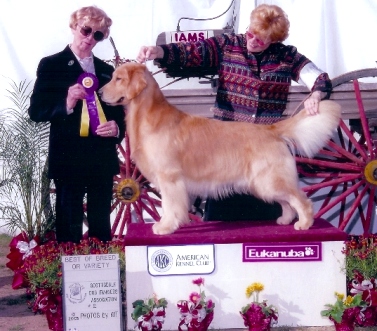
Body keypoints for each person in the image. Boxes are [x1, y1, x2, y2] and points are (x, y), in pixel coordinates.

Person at [136, 4, 332, 222]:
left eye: (260, 39)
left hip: (263, 147)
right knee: (221, 223)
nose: (252, 40)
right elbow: (191, 52)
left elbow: (317, 77)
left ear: (274, 41)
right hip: (224, 147)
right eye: (251, 33)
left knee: (269, 217)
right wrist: (160, 51)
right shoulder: (228, 46)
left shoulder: (287, 56)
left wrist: (316, 94)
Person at [28, 6, 125, 242]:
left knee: (102, 226)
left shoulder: (106, 71)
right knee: (68, 227)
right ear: (74, 26)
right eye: (86, 30)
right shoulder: (51, 65)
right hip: (68, 159)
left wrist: (116, 128)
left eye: (98, 35)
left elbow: (119, 114)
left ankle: (104, 275)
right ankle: (68, 276)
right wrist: (67, 102)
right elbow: (36, 110)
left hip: (101, 160)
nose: (90, 38)